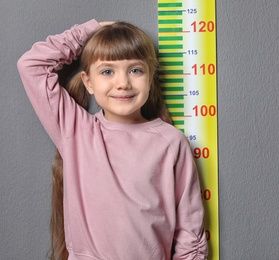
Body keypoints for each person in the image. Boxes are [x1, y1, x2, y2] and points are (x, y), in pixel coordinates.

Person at [17, 19, 207, 260]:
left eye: (135, 70)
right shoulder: (77, 132)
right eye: (107, 71)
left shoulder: (171, 142)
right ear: (89, 82)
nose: (123, 83)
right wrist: (87, 31)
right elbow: (31, 65)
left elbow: (190, 233)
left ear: (149, 78)